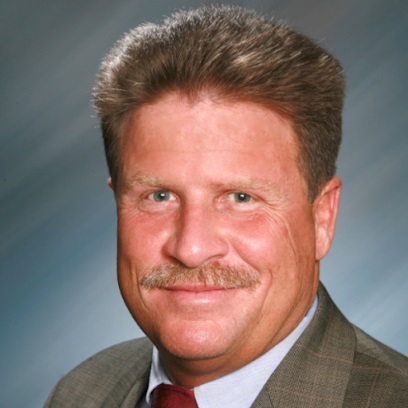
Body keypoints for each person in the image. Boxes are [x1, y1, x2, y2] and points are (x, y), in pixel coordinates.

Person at [45, 5, 408, 407]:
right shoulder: (81, 392)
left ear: (322, 217)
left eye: (241, 198)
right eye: (159, 196)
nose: (191, 249)